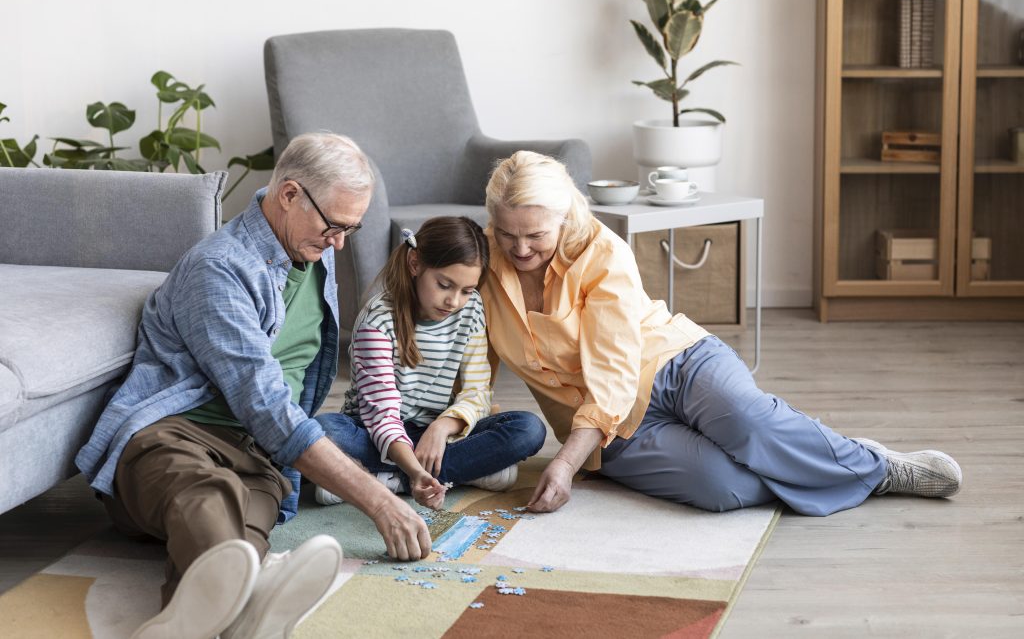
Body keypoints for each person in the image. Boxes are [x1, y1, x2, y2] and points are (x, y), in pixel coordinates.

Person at [75, 133, 431, 639]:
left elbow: (292, 392)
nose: (340, 243)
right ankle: (248, 601)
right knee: (211, 493)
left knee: (246, 529)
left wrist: (291, 464)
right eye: (334, 226)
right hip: (171, 438)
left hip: (261, 458)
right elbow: (265, 404)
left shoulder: (313, 247)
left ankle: (223, 618)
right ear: (289, 195)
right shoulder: (218, 268)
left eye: (350, 229)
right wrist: (377, 499)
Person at [480, 150, 963, 517]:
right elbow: (472, 357)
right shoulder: (480, 264)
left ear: (564, 219)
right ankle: (813, 453)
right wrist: (459, 426)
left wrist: (562, 464)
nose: (520, 248)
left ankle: (875, 467)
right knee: (720, 486)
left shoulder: (602, 251)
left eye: (536, 235)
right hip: (613, 431)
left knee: (748, 424)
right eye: (507, 234)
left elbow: (612, 368)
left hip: (674, 363)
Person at [314, 216, 547, 510]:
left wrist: (441, 428)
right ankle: (448, 474)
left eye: (465, 290)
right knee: (323, 431)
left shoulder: (471, 308)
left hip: (438, 435)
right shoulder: (378, 321)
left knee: (528, 429)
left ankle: (374, 479)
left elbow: (477, 392)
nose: (454, 301)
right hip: (376, 433)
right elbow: (382, 415)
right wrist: (414, 470)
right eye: (444, 285)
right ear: (415, 264)